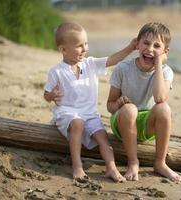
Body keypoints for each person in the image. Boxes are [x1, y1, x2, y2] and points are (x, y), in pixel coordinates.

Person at [43, 22, 136, 183]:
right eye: (79, 46)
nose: (85, 48)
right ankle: (77, 166)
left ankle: (111, 168)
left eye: (86, 43)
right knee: (77, 123)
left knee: (102, 137)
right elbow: (46, 94)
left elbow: (113, 59)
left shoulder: (90, 63)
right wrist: (52, 95)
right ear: (63, 49)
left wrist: (130, 48)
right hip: (67, 112)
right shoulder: (56, 71)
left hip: (90, 113)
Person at [107, 22, 181, 183]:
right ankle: (133, 162)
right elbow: (109, 105)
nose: (150, 49)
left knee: (164, 109)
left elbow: (160, 98)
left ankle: (160, 163)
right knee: (130, 110)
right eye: (146, 43)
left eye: (157, 46)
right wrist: (119, 104)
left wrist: (158, 64)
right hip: (123, 120)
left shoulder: (166, 71)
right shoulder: (123, 68)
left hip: (146, 126)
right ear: (137, 44)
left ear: (165, 52)